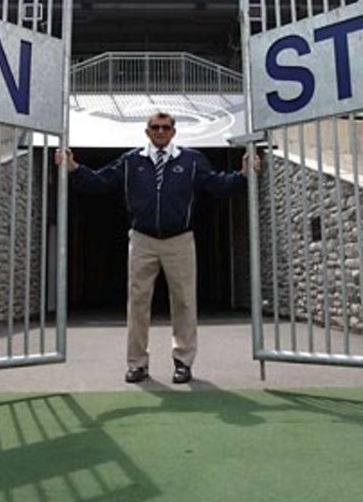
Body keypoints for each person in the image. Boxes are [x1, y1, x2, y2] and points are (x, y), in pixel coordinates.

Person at [56, 111, 259, 384]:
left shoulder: (192, 160)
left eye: (165, 127)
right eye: (155, 127)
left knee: (184, 302)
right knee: (138, 302)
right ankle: (137, 364)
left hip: (180, 240)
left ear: (174, 132)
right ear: (147, 131)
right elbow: (101, 181)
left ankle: (183, 362)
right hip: (142, 239)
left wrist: (243, 175)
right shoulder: (131, 161)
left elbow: (218, 185)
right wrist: (73, 169)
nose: (160, 132)